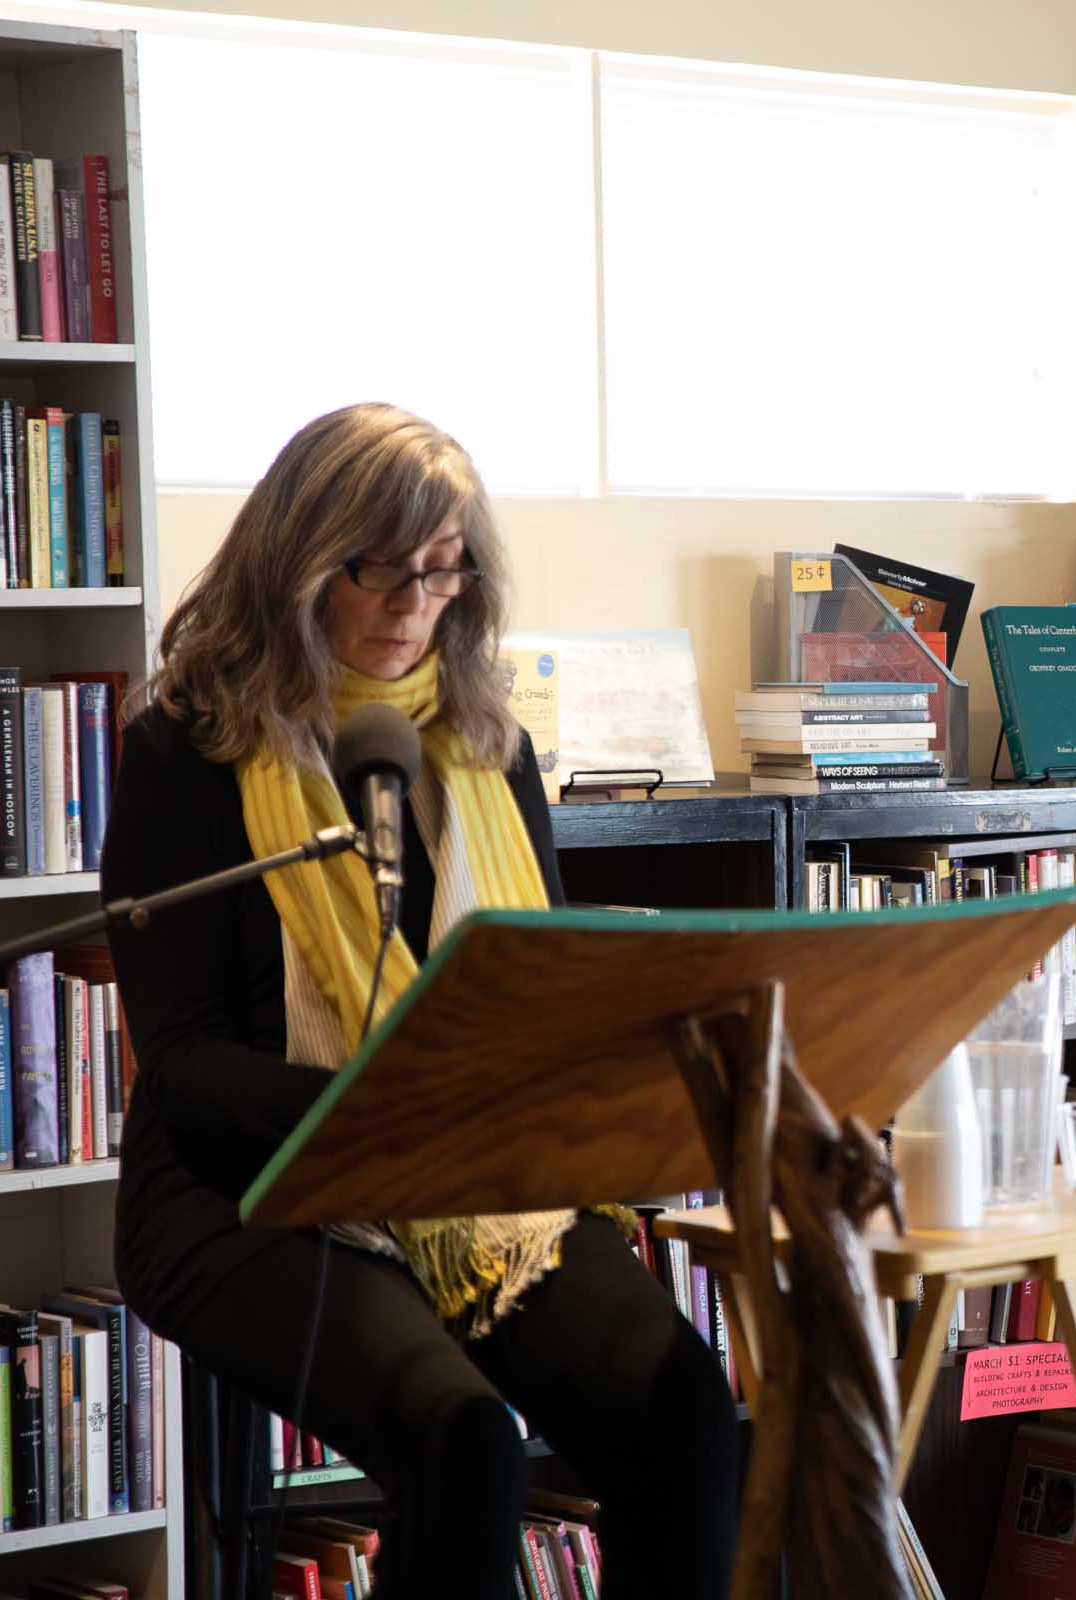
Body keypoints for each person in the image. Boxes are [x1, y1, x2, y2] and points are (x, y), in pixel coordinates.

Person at [102, 402, 739, 1598]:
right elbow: (184, 1065)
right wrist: (373, 1107)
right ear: (297, 564)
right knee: (464, 1440)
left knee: (686, 1409)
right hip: (246, 1188)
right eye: (379, 571)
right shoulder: (187, 751)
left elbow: (533, 988)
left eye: (443, 575)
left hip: (472, 1169)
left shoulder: (489, 748)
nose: (411, 606)